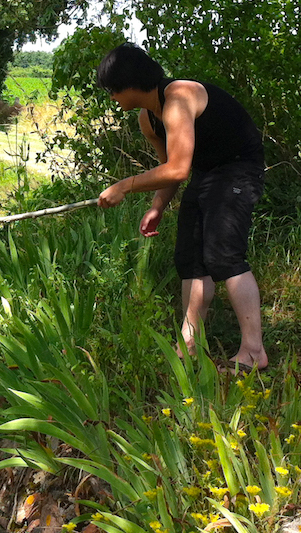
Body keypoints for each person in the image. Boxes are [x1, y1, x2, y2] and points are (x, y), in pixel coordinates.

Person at [95, 42, 267, 371]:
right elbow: (170, 168)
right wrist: (158, 206)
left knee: (223, 254)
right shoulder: (149, 119)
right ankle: (190, 342)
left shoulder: (178, 99)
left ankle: (254, 351)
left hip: (239, 168)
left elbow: (178, 169)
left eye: (112, 91)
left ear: (128, 85)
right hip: (207, 172)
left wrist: (123, 186)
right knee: (189, 257)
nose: (113, 99)